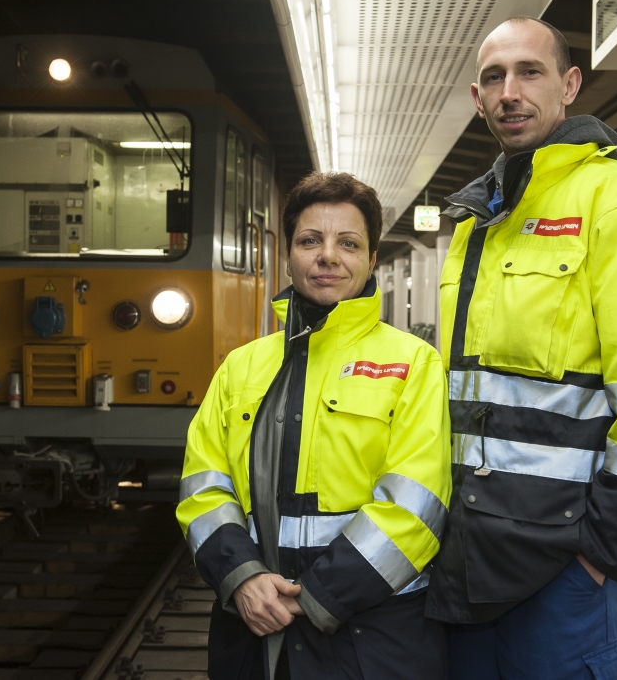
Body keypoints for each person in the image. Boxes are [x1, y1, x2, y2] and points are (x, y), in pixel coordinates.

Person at [425, 16, 617, 680]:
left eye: (531, 72)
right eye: (494, 78)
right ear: (477, 98)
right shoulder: (479, 223)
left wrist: (601, 550)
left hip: (561, 563)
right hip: (467, 551)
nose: (510, 92)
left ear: (569, 85)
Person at [177, 172, 451, 680]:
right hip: (253, 630)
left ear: (371, 260)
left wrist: (316, 596)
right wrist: (242, 577)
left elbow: (416, 506)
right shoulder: (240, 367)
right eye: (310, 240)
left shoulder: (414, 364)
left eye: (348, 243)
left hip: (371, 636)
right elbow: (203, 488)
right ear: (289, 255)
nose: (328, 256)